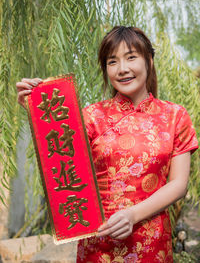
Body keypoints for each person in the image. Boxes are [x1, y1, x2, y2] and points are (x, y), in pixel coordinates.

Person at [16, 26, 198, 262]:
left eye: (131, 57)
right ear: (105, 69)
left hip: (152, 244)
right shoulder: (89, 117)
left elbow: (179, 184)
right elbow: (61, 165)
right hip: (99, 243)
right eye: (112, 62)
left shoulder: (175, 116)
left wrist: (132, 215)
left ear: (149, 61)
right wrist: (39, 113)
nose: (123, 69)